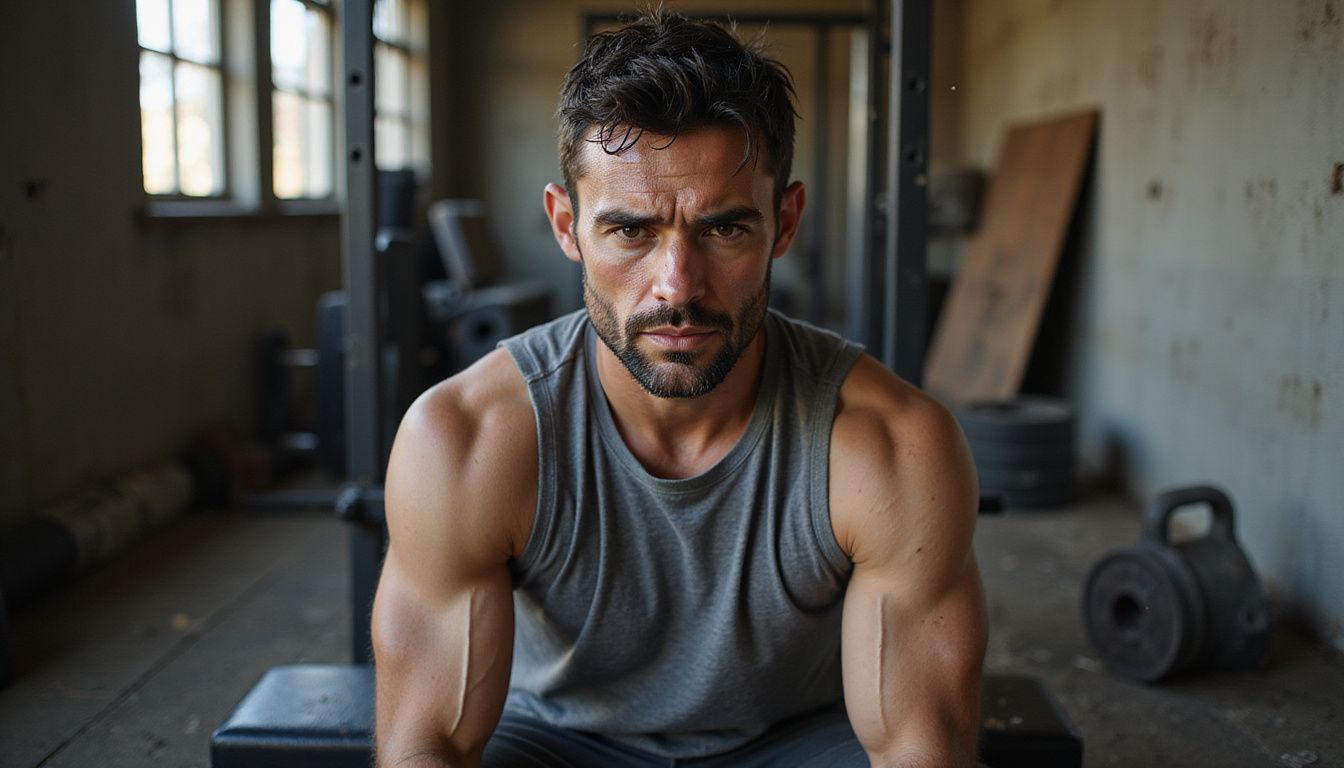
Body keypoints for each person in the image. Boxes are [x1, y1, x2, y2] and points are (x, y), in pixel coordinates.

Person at [372, 9, 987, 767]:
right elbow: (428, 742)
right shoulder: (465, 439)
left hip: (796, 740)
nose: (678, 287)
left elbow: (915, 747)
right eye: (631, 231)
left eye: (725, 230)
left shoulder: (890, 444)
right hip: (552, 739)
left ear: (783, 221)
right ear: (567, 226)